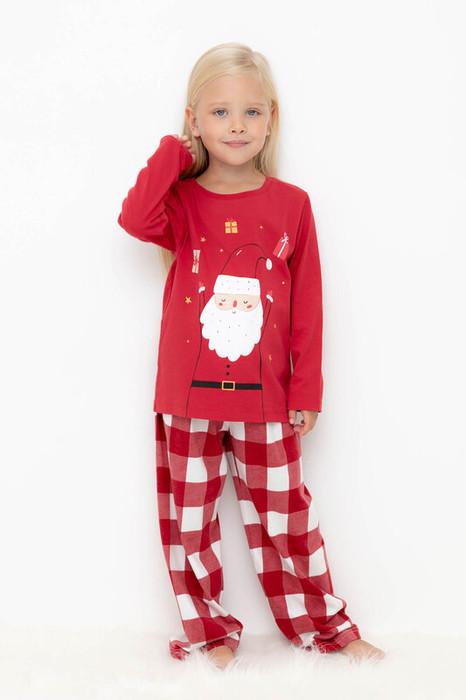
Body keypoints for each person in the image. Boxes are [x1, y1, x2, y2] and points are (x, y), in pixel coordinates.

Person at [117, 42, 385, 670]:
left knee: (287, 521)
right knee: (189, 527)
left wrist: (306, 390)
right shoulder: (181, 202)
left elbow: (309, 304)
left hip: (268, 400)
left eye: (251, 112)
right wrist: (175, 150)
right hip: (186, 397)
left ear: (271, 119)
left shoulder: (292, 204)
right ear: (195, 120)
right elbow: (134, 217)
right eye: (219, 112)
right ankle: (209, 635)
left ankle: (325, 627)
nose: (236, 125)